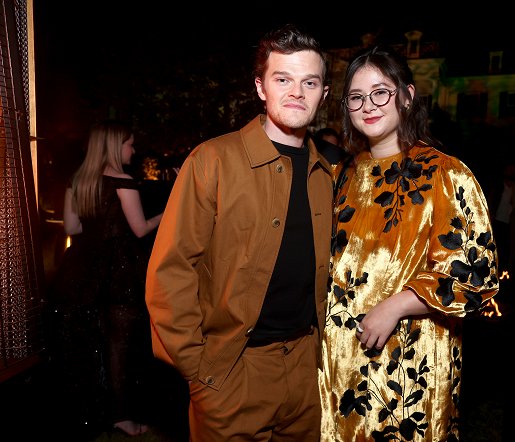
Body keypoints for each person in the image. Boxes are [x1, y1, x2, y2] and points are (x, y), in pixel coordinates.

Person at [144, 24, 333, 441]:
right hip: (233, 369)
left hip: (306, 370)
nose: (297, 92)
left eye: (310, 82)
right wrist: (197, 368)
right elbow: (170, 271)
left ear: (323, 93)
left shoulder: (326, 174)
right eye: (282, 79)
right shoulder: (213, 160)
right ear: (261, 87)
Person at [319, 45, 499, 441]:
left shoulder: (445, 174)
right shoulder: (339, 177)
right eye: (356, 97)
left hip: (408, 368)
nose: (369, 104)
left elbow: (476, 276)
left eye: (381, 91)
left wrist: (396, 306)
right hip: (338, 363)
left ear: (407, 95)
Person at [49, 120, 163, 438]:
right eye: (130, 143)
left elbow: (72, 229)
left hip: (79, 271)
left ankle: (90, 413)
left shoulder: (78, 181)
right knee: (120, 346)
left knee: (87, 344)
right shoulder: (123, 182)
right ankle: (121, 417)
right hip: (118, 271)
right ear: (115, 146)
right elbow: (139, 229)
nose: (133, 150)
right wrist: (165, 214)